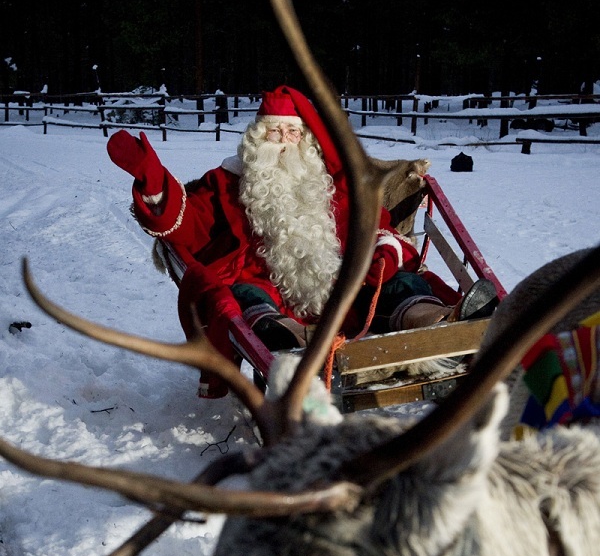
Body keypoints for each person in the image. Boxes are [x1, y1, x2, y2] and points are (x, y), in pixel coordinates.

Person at [107, 85, 498, 398]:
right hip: (269, 290)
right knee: (246, 298)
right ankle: (292, 342)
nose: (284, 141)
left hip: (343, 291)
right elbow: (189, 224)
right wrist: (153, 181)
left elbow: (375, 226)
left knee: (401, 285)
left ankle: (444, 322)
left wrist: (382, 251)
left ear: (306, 139)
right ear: (257, 137)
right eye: (275, 132)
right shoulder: (226, 183)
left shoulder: (331, 184)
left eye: (293, 132)